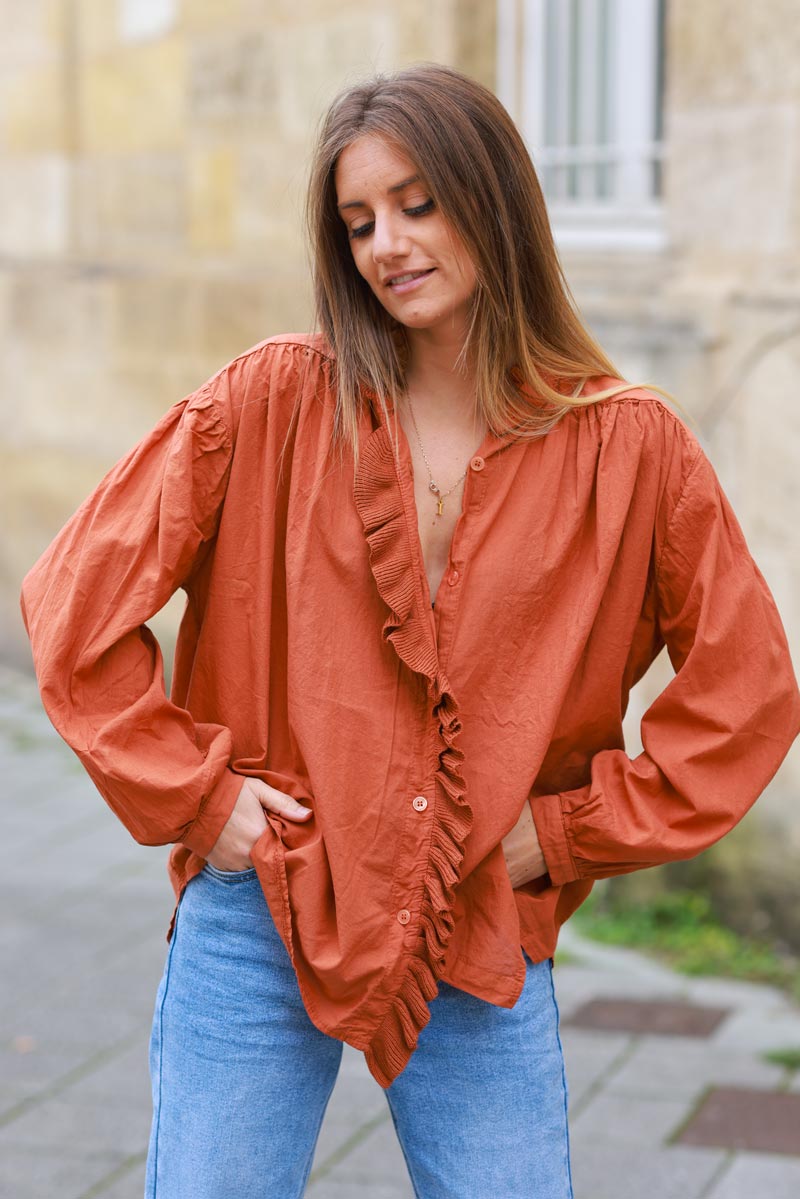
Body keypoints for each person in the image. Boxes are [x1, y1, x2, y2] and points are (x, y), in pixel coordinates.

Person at [19, 62, 799, 1199]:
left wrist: (563, 833)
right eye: (358, 220)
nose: (386, 243)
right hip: (265, 904)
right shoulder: (273, 399)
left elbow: (745, 695)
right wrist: (200, 796)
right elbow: (74, 599)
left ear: (495, 199)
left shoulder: (630, 449)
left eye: (418, 203)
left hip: (474, 917)